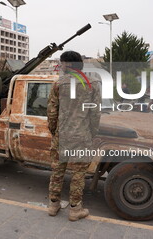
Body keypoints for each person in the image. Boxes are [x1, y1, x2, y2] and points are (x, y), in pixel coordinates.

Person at [47, 51, 101, 221]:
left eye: (61, 64)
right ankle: (75, 209)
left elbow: (51, 112)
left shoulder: (58, 85)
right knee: (78, 173)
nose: (61, 67)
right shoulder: (92, 84)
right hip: (82, 136)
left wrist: (54, 130)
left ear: (66, 65)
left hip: (61, 135)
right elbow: (95, 113)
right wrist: (92, 133)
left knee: (57, 170)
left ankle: (53, 205)